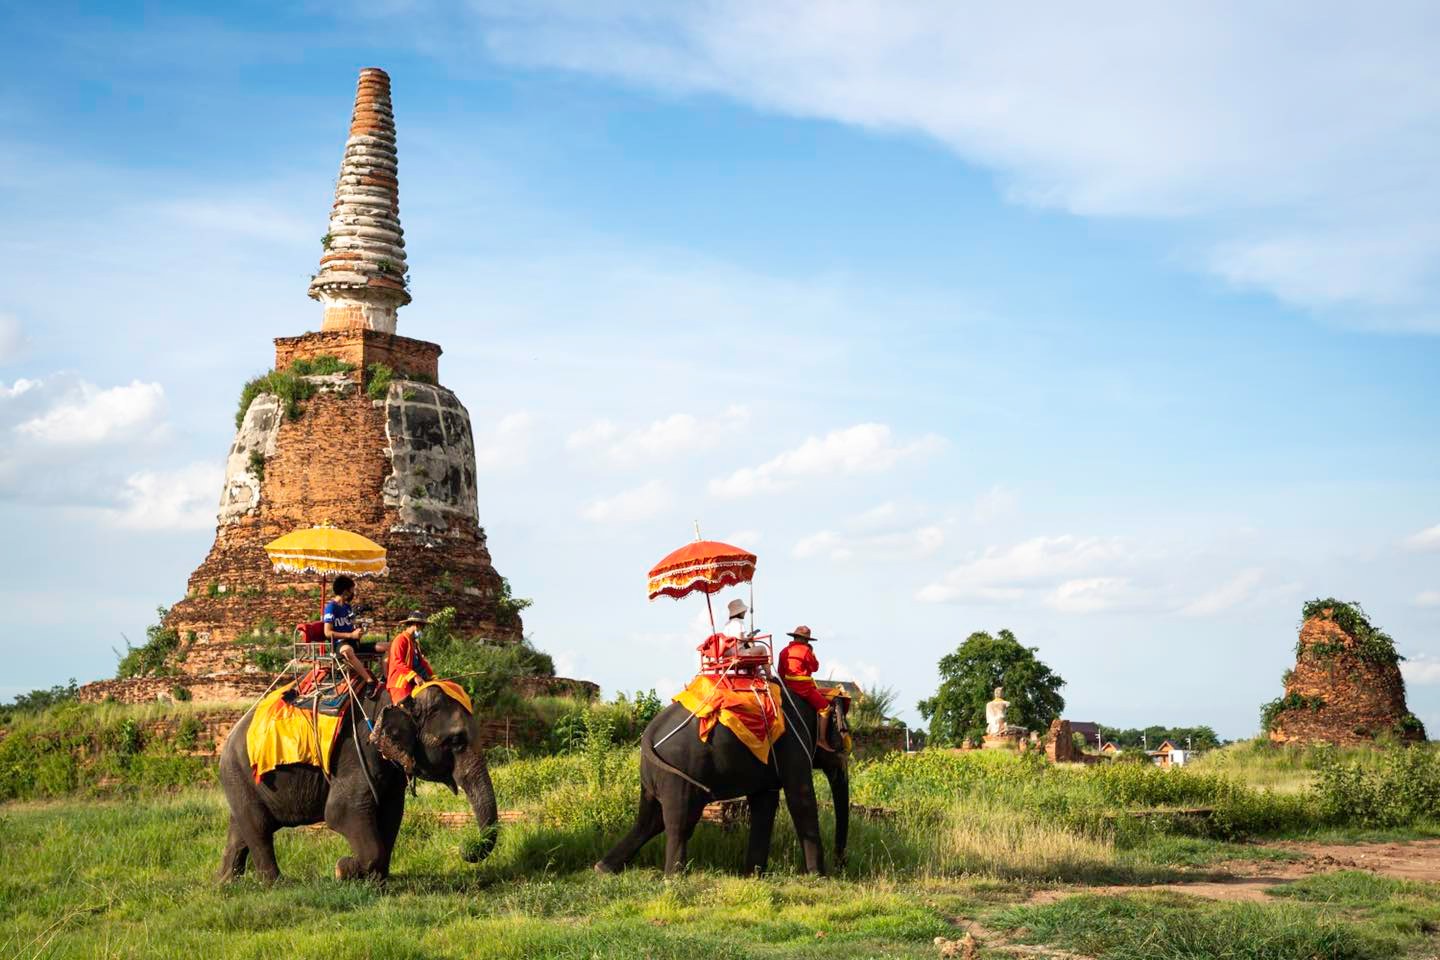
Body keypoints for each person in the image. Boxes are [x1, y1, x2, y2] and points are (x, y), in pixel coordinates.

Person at [324, 575, 388, 692]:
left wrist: (359, 630)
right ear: (345, 591)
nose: (353, 593)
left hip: (355, 643)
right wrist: (350, 635)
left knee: (389, 646)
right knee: (347, 651)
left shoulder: (347, 607)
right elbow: (327, 632)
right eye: (352, 590)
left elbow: (352, 624)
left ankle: (386, 678)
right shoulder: (331, 607)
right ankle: (370, 681)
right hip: (341, 644)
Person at [778, 625, 835, 752]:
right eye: (807, 640)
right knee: (825, 708)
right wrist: (812, 653)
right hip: (803, 688)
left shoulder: (783, 651)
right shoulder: (805, 650)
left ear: (795, 637)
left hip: (788, 687)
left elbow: (781, 673)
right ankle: (821, 739)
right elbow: (815, 668)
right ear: (804, 640)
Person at [385, 611, 434, 704]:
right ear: (416, 625)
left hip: (413, 681)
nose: (422, 630)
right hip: (400, 683)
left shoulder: (413, 642)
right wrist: (414, 676)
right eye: (422, 627)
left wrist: (433, 676)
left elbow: (422, 662)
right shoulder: (400, 640)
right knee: (404, 712)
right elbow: (397, 662)